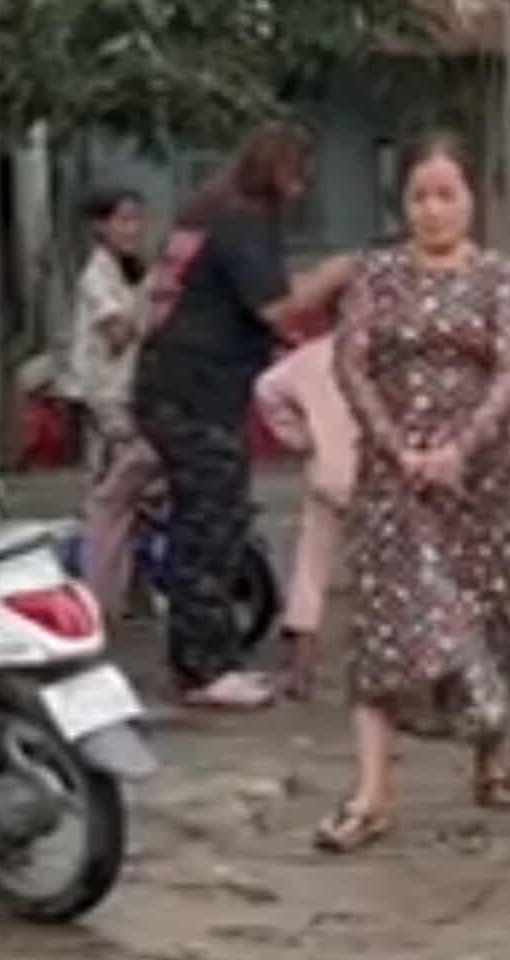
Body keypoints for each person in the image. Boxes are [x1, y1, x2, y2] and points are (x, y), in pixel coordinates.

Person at [315, 129, 510, 854]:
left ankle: (490, 763)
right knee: (387, 623)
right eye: (419, 197)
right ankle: (371, 793)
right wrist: (397, 446)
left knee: (488, 615)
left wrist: (459, 448)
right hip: (395, 479)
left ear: (471, 200)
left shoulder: (500, 277)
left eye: (446, 195)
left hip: (484, 479)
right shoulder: (376, 274)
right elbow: (351, 363)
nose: (433, 211)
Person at [133, 121, 354, 711]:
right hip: (197, 392)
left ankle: (206, 658)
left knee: (208, 519)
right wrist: (334, 274)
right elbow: (276, 306)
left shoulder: (209, 210)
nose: (301, 191)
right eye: (298, 176)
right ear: (277, 171)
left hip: (174, 385)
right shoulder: (243, 219)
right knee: (211, 525)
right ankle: (203, 669)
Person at [253, 274, 359, 701]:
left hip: (327, 473)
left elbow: (265, 388)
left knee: (311, 569)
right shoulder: (385, 356)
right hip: (378, 477)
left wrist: (298, 437)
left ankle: (302, 669)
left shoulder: (309, 358)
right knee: (389, 571)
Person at [71, 188, 157, 622]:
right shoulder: (97, 276)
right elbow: (117, 334)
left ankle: (132, 593)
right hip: (108, 401)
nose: (133, 229)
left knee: (137, 499)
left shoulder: (131, 271)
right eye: (123, 220)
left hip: (131, 394)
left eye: (137, 219)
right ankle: (100, 599)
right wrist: (149, 306)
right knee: (111, 500)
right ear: (100, 226)